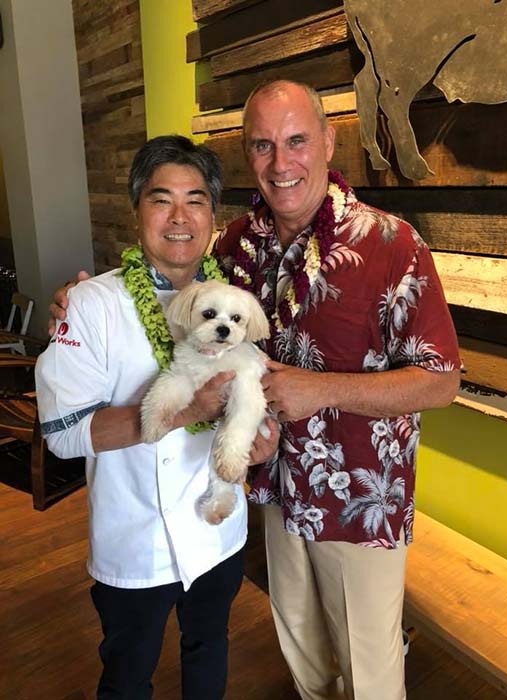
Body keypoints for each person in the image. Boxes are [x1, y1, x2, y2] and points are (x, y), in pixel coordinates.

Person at [49, 81, 461, 700]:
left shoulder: (391, 243)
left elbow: (442, 381)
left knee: (370, 670)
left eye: (296, 140)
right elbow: (173, 279)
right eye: (262, 145)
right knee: (302, 655)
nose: (281, 161)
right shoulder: (238, 243)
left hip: (354, 500)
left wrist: (320, 390)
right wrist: (79, 301)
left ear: (328, 141)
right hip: (268, 490)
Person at [36, 135, 279, 700]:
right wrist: (182, 413)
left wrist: (258, 442)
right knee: (127, 677)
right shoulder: (91, 305)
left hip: (218, 534)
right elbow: (62, 436)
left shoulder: (233, 302)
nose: (179, 217)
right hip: (135, 539)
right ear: (137, 209)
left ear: (213, 217)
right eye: (160, 198)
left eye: (195, 200)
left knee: (209, 650)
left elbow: (255, 397)